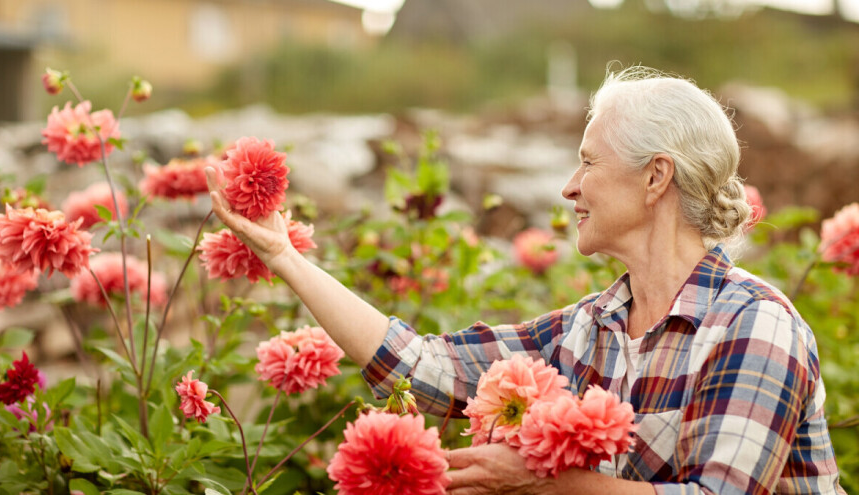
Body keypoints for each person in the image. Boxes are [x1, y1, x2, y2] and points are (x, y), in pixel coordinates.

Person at [205, 66, 845, 494]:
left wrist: (538, 479)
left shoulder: (755, 324)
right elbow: (423, 368)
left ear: (656, 179)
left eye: (588, 162)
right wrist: (284, 255)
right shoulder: (590, 329)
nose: (569, 187)